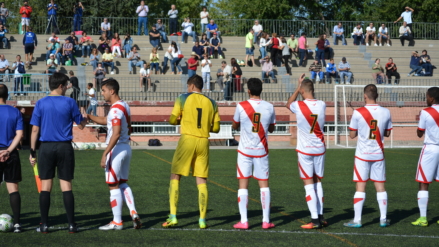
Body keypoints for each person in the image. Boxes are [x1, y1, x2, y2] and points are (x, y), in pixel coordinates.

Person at [29, 72, 87, 233]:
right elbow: (81, 125)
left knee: (46, 186)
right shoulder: (70, 102)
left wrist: (32, 152)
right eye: (67, 85)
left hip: (46, 148)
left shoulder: (41, 103)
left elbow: (35, 129)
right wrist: (86, 118)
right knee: (66, 185)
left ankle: (44, 224)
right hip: (64, 147)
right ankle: (71, 224)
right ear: (60, 86)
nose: (68, 88)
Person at [162, 75, 221, 229]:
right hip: (203, 141)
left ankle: (173, 216)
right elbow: (216, 128)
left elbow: (172, 120)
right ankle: (202, 220)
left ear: (193, 86)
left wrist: (182, 120)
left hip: (187, 139)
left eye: (188, 86)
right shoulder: (212, 103)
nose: (187, 89)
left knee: (175, 175)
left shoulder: (183, 98)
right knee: (201, 180)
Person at [86, 79, 142, 230]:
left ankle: (117, 221)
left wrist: (105, 153)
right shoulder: (123, 105)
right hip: (125, 148)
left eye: (103, 90)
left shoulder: (116, 109)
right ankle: (133, 212)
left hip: (116, 148)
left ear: (112, 91)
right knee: (122, 182)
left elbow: (116, 133)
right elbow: (107, 121)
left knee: (112, 185)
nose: (102, 93)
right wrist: (90, 117)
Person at [344, 84, 392, 228]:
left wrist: (359, 128)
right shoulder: (386, 111)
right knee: (380, 187)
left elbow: (352, 135)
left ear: (365, 96)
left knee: (360, 187)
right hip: (378, 154)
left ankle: (357, 220)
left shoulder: (358, 113)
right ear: (377, 95)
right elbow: (387, 133)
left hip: (362, 155)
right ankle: (383, 219)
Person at [232, 78, 276, 230]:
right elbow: (271, 129)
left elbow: (235, 125)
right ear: (261, 89)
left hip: (244, 150)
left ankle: (244, 221)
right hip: (261, 150)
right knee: (264, 185)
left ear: (248, 90)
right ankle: (266, 221)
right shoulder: (269, 107)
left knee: (243, 185)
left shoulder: (241, 106)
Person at [286, 74, 327, 229]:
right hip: (319, 148)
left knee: (308, 183)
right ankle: (321, 216)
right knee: (318, 182)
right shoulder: (322, 104)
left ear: (302, 91)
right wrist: (302, 87)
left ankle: (315, 220)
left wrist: (298, 87)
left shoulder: (299, 106)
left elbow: (288, 104)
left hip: (305, 150)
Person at [411, 87, 439, 227]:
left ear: (432, 98)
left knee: (423, 182)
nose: (426, 99)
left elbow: (419, 133)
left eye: (427, 96)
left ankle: (423, 218)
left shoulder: (426, 112)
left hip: (431, 149)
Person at [0, 84, 23, 233]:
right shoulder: (15, 112)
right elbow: (19, 135)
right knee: (13, 189)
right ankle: (17, 224)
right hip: (11, 153)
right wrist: (8, 150)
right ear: (7, 95)